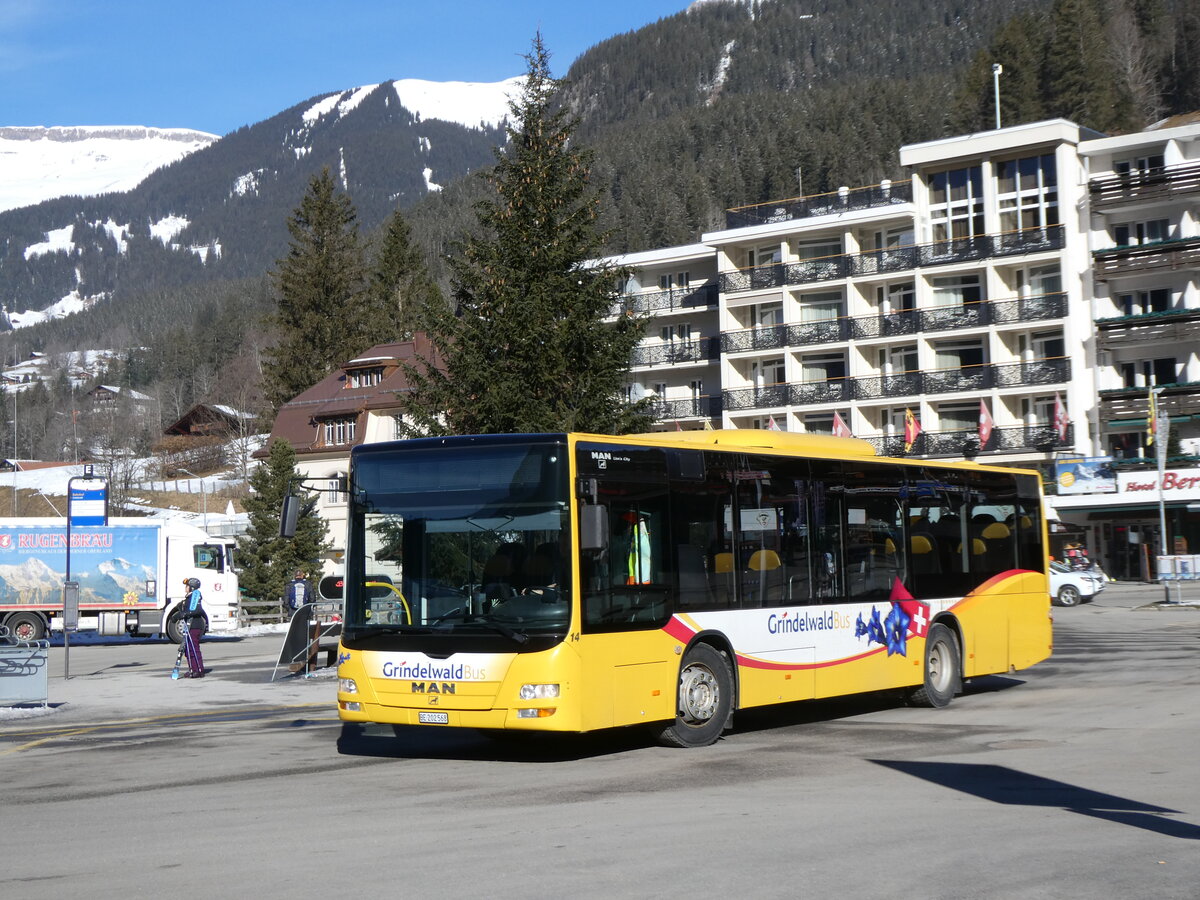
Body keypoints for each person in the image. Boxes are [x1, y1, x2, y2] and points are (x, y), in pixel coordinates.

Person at [180, 577, 208, 678]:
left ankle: (199, 670)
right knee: (188, 649)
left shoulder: (196, 595)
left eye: (187, 586)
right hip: (189, 625)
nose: (185, 588)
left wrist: (186, 613)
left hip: (195, 625)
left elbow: (198, 610)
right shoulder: (188, 597)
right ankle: (192, 669)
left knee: (193, 648)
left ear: (191, 588)